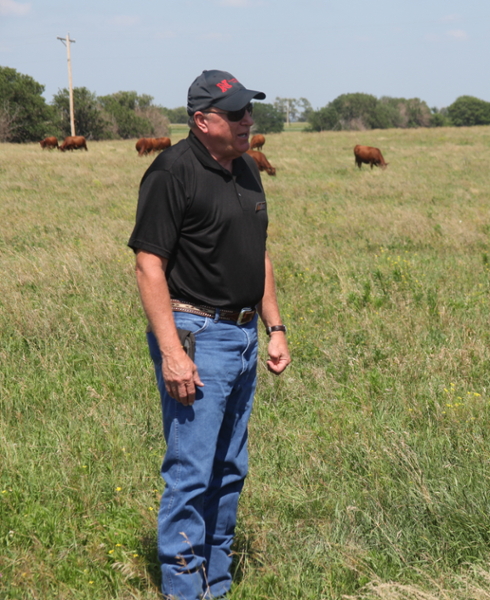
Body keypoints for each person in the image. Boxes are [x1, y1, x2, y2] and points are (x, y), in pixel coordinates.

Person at [128, 70, 291, 600]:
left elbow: (257, 251)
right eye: (237, 114)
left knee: (230, 469)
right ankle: (182, 590)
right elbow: (149, 265)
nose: (249, 122)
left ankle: (214, 585)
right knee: (192, 472)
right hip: (198, 335)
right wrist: (173, 353)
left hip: (244, 337)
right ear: (202, 121)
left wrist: (275, 326)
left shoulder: (245, 168)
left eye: (250, 111)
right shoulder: (171, 171)